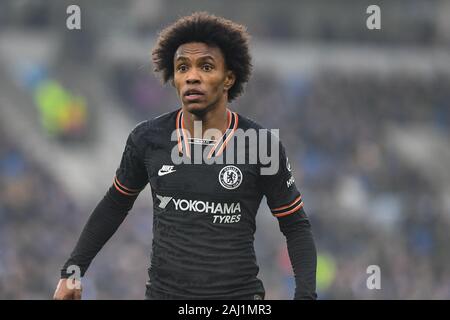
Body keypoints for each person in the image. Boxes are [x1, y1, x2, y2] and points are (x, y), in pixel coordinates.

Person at [53, 11, 317, 300]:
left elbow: (295, 226)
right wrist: (72, 272)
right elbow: (114, 205)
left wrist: (305, 296)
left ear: (228, 77)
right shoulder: (147, 139)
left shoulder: (260, 144)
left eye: (206, 67)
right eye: (182, 68)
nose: (192, 77)